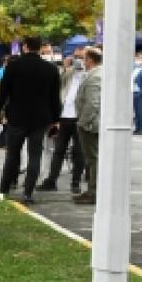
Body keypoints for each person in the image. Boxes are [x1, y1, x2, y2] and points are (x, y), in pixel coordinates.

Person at [0, 36, 61, 204]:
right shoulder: (50, 69)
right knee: (35, 155)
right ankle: (28, 192)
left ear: (25, 47)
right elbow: (54, 98)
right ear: (40, 48)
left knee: (12, 154)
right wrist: (56, 120)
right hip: (40, 118)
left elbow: (2, 93)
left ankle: (4, 188)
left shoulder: (13, 66)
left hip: (17, 117)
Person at [39, 47, 87, 194]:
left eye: (81, 57)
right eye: (76, 57)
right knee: (58, 150)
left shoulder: (89, 75)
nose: (78, 60)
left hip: (79, 118)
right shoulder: (68, 73)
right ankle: (51, 180)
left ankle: (76, 182)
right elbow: (59, 87)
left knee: (78, 152)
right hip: (64, 117)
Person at [73, 48, 103, 204]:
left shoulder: (95, 76)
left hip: (91, 124)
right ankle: (93, 190)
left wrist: (83, 122)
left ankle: (93, 191)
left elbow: (92, 103)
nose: (82, 61)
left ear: (90, 60)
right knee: (93, 158)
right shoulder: (95, 74)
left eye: (84, 58)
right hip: (91, 122)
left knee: (93, 159)